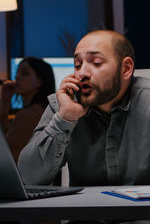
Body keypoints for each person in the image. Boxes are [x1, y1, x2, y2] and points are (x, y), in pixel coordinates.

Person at [18, 30, 150, 222]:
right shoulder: (63, 104)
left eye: (96, 63)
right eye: (77, 64)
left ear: (126, 68)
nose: (82, 73)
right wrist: (65, 118)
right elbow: (29, 177)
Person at [0, 56, 55, 162]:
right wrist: (6, 101)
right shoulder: (44, 110)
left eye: (25, 73)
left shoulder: (29, 115)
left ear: (39, 81)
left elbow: (6, 151)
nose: (17, 77)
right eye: (17, 72)